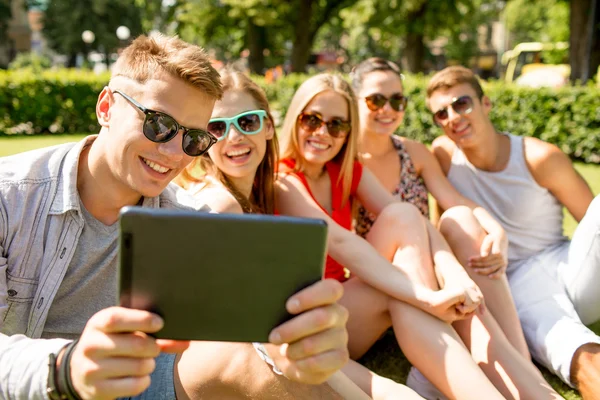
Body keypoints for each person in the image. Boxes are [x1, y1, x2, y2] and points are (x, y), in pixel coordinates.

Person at [0, 34, 350, 400]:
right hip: (39, 384)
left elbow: (244, 340)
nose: (172, 152)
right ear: (106, 107)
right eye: (158, 124)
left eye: (193, 139)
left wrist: (306, 346)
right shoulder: (11, 197)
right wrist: (66, 369)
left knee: (249, 362)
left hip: (139, 383)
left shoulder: (190, 223)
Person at [274, 73, 560, 399]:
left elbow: (416, 220)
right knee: (409, 289)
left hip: (345, 303)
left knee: (404, 218)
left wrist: (453, 276)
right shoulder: (282, 181)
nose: (323, 133)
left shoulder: (345, 170)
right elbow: (340, 242)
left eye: (336, 125)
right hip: (311, 320)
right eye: (312, 120)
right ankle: (504, 385)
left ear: (347, 133)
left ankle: (522, 385)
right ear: (295, 118)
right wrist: (428, 297)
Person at [178, 67, 422, 399]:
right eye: (217, 128)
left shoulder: (261, 195)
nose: (233, 136)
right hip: (248, 360)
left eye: (246, 122)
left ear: (266, 126)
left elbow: (339, 240)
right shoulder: (221, 205)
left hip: (290, 343)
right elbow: (250, 330)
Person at [427, 65, 600, 399]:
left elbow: (590, 221)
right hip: (513, 282)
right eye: (441, 113)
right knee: (576, 350)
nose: (453, 117)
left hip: (569, 266)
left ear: (485, 104)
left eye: (462, 104)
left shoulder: (539, 157)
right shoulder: (444, 156)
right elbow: (443, 226)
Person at [350, 57, 530, 375]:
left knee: (460, 217)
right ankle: (503, 366)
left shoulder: (414, 153)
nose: (387, 109)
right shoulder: (344, 160)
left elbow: (456, 201)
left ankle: (519, 359)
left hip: (430, 271)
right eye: (376, 99)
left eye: (397, 100)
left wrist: (496, 231)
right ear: (354, 101)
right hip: (379, 284)